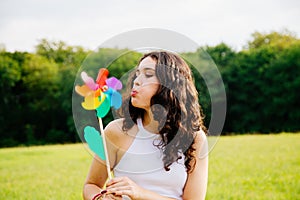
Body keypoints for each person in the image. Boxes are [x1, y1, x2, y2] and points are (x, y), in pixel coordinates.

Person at [83, 51, 208, 200]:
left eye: (148, 75)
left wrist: (140, 194)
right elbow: (91, 185)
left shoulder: (194, 138)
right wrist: (99, 198)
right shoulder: (116, 131)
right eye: (137, 74)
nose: (136, 81)